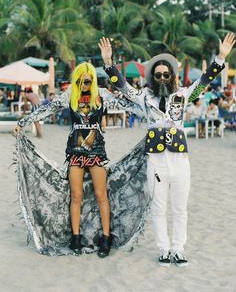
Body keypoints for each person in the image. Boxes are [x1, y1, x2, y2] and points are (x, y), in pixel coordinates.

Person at [99, 33, 235, 267]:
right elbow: (122, 87)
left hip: (180, 160)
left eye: (166, 74)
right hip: (156, 162)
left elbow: (204, 81)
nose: (162, 78)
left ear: (172, 75)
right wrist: (109, 64)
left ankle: (178, 248)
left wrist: (221, 58)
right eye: (158, 75)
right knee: (159, 207)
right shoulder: (144, 97)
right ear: (153, 77)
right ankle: (164, 248)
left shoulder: (183, 95)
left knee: (180, 208)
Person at [14, 62, 148, 257]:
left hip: (97, 152)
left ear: (93, 80)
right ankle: (75, 237)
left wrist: (154, 119)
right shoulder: (70, 95)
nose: (83, 84)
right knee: (76, 196)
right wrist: (22, 122)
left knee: (101, 195)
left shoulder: (102, 94)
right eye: (79, 81)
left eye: (87, 81)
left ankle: (106, 237)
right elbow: (48, 108)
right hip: (75, 153)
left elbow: (128, 106)